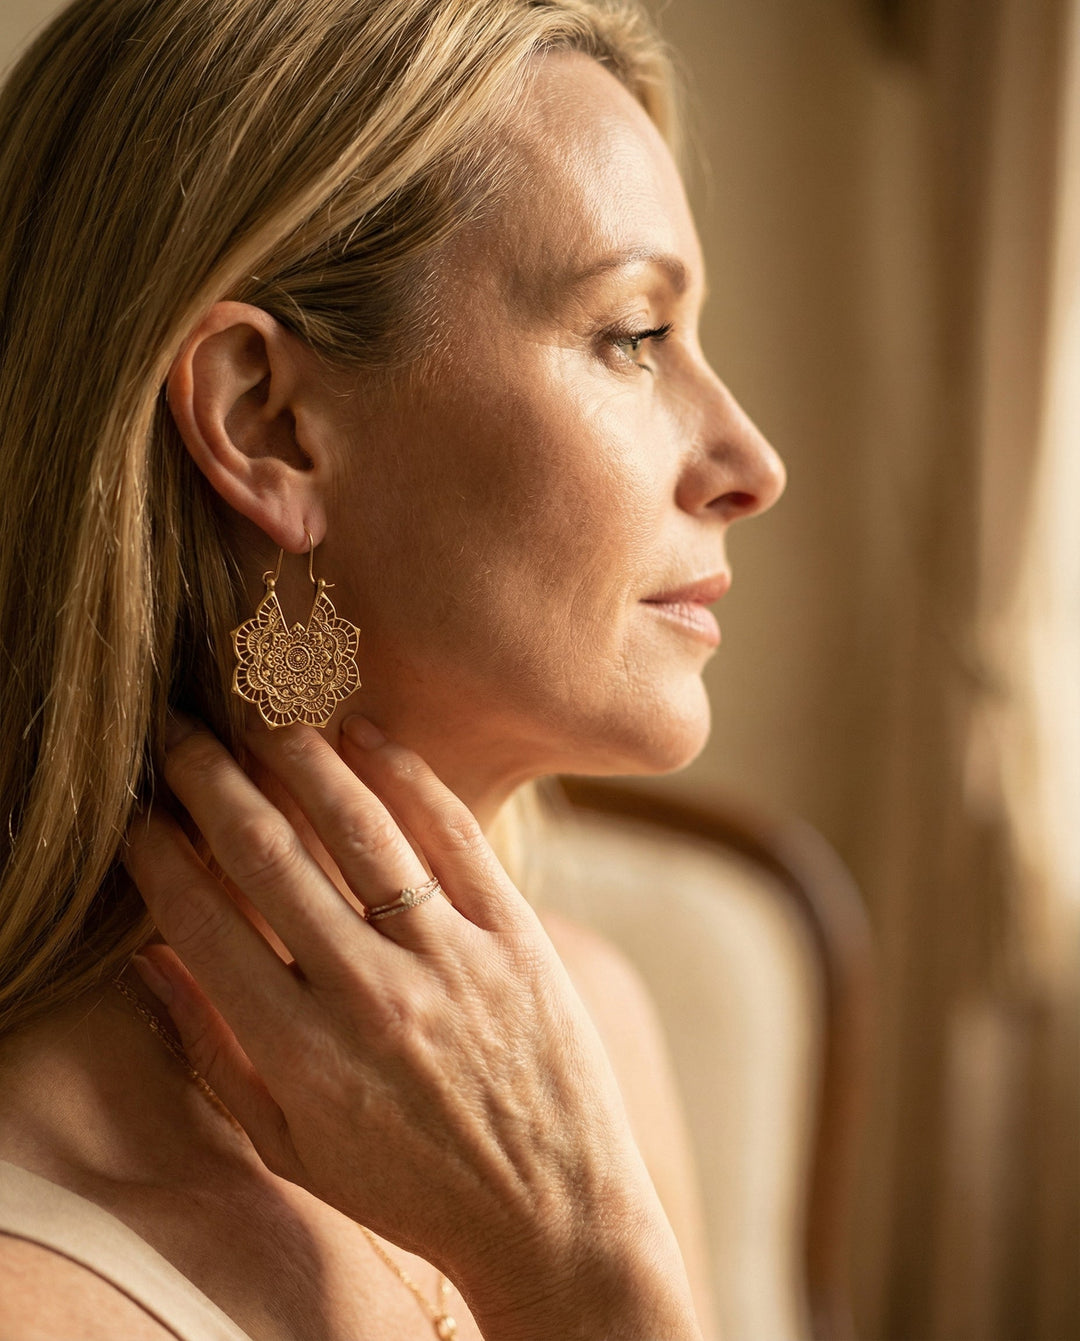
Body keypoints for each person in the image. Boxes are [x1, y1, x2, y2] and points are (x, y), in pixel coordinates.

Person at [0, 0, 787, 1336]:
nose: (752, 465)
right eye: (633, 335)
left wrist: (584, 1248)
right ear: (267, 419)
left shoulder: (579, 1043)